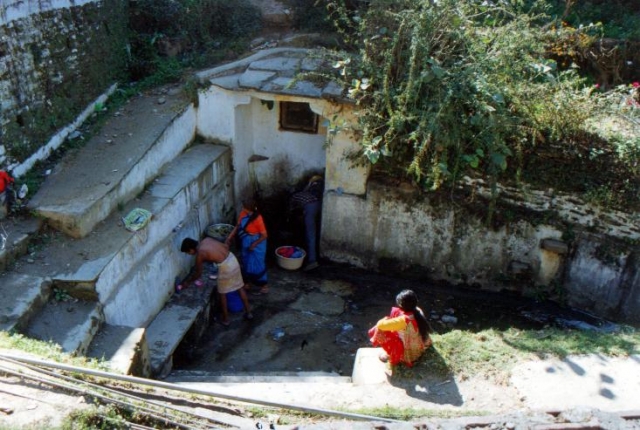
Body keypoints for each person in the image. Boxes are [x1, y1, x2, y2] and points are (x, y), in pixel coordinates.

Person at [180, 237, 253, 326]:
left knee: (222, 294)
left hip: (226, 267)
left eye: (188, 252)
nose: (189, 254)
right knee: (240, 287)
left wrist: (187, 282)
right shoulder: (206, 240)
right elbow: (225, 246)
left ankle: (225, 320)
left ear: (191, 249)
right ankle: (249, 313)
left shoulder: (200, 253)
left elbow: (198, 274)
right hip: (232, 259)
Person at [368, 289, 432, 367]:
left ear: (401, 305)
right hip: (419, 348)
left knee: (378, 329)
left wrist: (387, 319)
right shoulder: (418, 311)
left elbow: (380, 325)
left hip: (408, 355)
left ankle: (391, 353)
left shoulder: (402, 320)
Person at [225, 197, 269, 295]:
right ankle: (247, 283)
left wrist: (254, 244)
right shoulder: (243, 214)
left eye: (244, 207)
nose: (243, 208)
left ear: (249, 208)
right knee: (246, 262)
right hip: (246, 240)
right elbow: (237, 226)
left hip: (258, 242)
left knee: (258, 264)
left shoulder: (258, 218)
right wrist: (229, 238)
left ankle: (264, 285)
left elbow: (264, 235)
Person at [289, 175, 324, 271]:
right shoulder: (305, 193)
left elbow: (291, 212)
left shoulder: (293, 197)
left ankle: (312, 261)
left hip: (310, 207)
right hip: (319, 204)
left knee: (310, 234)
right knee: (317, 229)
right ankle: (317, 252)